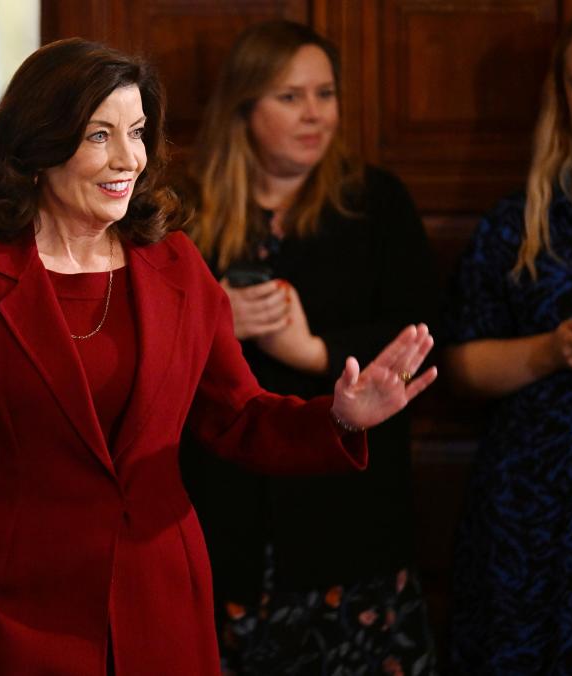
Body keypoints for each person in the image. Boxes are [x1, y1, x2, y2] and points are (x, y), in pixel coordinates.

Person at [0, 37, 437, 676]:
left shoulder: (176, 263)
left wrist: (340, 417)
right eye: (99, 136)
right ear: (40, 146)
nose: (129, 159)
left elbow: (238, 418)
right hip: (11, 610)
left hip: (162, 603)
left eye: (138, 132)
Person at [180, 20, 438, 675]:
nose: (315, 113)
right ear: (244, 107)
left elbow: (430, 337)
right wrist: (210, 320)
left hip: (349, 525)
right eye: (290, 97)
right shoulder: (182, 209)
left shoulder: (374, 203)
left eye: (325, 94)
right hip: (220, 517)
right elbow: (133, 349)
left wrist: (315, 350)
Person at [444, 7, 572, 673]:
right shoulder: (518, 223)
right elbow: (459, 366)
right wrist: (549, 351)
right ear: (560, 94)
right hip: (532, 511)